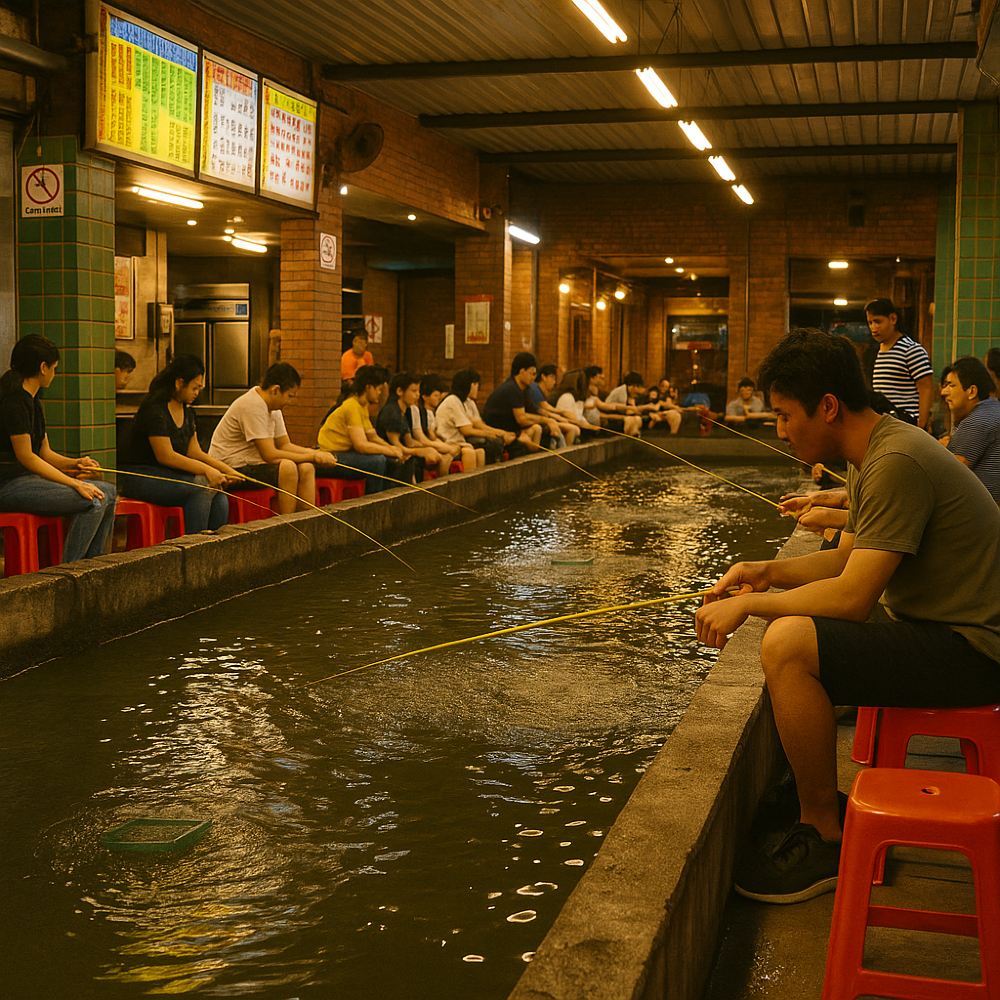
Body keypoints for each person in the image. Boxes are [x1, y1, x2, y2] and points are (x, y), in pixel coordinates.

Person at [695, 329, 1000, 904]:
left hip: (975, 649)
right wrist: (765, 572)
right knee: (790, 627)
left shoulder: (895, 461)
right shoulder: (874, 451)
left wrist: (749, 604)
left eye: (785, 415)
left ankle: (826, 834)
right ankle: (812, 797)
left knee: (787, 642)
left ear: (828, 406)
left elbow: (851, 597)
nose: (780, 430)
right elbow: (849, 557)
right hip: (936, 627)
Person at [0, 334, 116, 563]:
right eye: (54, 368)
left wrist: (77, 463)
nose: (55, 373)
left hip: (27, 480)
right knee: (94, 499)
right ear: (43, 367)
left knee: (109, 493)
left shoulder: (34, 400)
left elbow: (45, 453)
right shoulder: (14, 401)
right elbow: (27, 457)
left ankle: (95, 564)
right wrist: (75, 483)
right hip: (8, 484)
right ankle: (72, 569)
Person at [119, 355, 237, 532]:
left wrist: (225, 470)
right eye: (194, 388)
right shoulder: (155, 409)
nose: (197, 393)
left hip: (168, 475)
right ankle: (196, 544)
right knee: (202, 487)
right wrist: (206, 470)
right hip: (139, 475)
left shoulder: (188, 412)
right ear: (179, 383)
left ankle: (217, 545)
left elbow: (195, 452)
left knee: (218, 491)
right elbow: (166, 456)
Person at [209, 363, 338, 514]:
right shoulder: (253, 405)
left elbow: (284, 445)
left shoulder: (274, 407)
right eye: (290, 396)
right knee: (288, 467)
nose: (290, 402)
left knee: (306, 467)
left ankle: (306, 520)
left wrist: (315, 453)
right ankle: (287, 521)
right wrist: (313, 456)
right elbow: (270, 454)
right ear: (275, 390)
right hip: (232, 468)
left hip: (254, 463)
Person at [316, 365, 405, 494]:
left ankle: (389, 495)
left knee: (392, 460)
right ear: (368, 387)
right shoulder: (351, 406)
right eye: (379, 389)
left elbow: (372, 437)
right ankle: (374, 500)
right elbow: (361, 445)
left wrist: (393, 449)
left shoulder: (362, 407)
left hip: (346, 453)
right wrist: (389, 450)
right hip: (332, 456)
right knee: (377, 461)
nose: (380, 393)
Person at [866, 297, 934, 430]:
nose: (873, 327)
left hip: (906, 422)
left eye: (878, 321)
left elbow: (926, 387)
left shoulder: (911, 349)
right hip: (883, 422)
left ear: (893, 319)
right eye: (870, 322)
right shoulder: (874, 353)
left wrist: (921, 423)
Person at [941, 356, 1000, 502]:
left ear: (972, 391)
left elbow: (949, 473)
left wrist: (940, 448)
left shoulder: (978, 421)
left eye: (951, 385)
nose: (944, 392)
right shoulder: (994, 410)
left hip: (987, 509)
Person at [376, 372, 450, 479]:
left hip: (405, 452)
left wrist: (428, 448)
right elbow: (396, 445)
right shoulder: (392, 412)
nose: (417, 395)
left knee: (441, 456)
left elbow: (409, 442)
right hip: (391, 457)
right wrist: (420, 451)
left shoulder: (405, 411)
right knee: (430, 458)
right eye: (414, 391)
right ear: (399, 391)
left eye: (418, 391)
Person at [483, 352, 557, 457]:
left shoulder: (525, 389)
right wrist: (546, 420)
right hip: (500, 430)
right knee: (534, 433)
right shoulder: (512, 388)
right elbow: (521, 419)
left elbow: (534, 409)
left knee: (538, 428)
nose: (534, 378)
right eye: (532, 373)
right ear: (522, 371)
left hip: (512, 428)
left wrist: (551, 419)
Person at [435, 368, 513, 464]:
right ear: (469, 385)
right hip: (450, 441)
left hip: (463, 439)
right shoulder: (453, 401)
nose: (477, 388)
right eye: (475, 384)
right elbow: (467, 430)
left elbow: (478, 424)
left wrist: (501, 433)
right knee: (492, 443)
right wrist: (490, 434)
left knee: (498, 441)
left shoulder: (467, 401)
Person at [409, 374, 483, 472]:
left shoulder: (426, 413)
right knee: (462, 453)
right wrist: (447, 447)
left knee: (479, 452)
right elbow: (421, 439)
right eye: (414, 391)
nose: (417, 395)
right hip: (433, 443)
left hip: (439, 442)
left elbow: (432, 436)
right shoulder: (415, 410)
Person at [527, 365, 580, 448]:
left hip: (543, 419)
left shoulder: (538, 389)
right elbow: (545, 408)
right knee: (572, 429)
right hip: (536, 421)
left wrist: (562, 416)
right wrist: (562, 415)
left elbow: (544, 409)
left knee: (574, 429)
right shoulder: (534, 387)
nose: (554, 382)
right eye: (552, 378)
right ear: (543, 377)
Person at [551, 368, 603, 437]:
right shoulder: (567, 397)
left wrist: (589, 425)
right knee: (576, 430)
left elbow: (579, 416)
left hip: (578, 427)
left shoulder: (578, 399)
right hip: (565, 429)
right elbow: (569, 419)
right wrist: (587, 426)